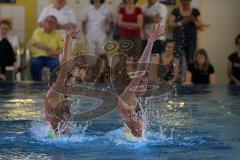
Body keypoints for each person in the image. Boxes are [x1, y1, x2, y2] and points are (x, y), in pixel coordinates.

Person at [112, 23, 164, 137]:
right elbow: (142, 68)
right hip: (132, 147)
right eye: (140, 85)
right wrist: (150, 42)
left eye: (144, 85)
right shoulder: (128, 96)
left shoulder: (134, 100)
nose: (143, 88)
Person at [168, 0, 207, 65]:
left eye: (187, 4)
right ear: (181, 2)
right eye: (184, 4)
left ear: (190, 2)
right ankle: (177, 75)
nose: (186, 5)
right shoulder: (176, 10)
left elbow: (201, 26)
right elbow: (170, 25)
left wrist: (193, 20)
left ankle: (189, 75)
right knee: (177, 61)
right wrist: (181, 22)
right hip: (178, 40)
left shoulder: (195, 11)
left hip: (191, 41)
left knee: (190, 61)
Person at [29, 15, 63, 81]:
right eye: (47, 21)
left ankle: (53, 85)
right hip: (38, 56)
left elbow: (62, 48)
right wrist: (51, 48)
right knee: (35, 64)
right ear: (44, 22)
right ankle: (37, 84)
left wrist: (55, 53)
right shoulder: (38, 31)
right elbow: (37, 44)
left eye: (52, 22)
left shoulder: (58, 34)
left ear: (55, 25)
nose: (49, 23)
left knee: (56, 65)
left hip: (51, 57)